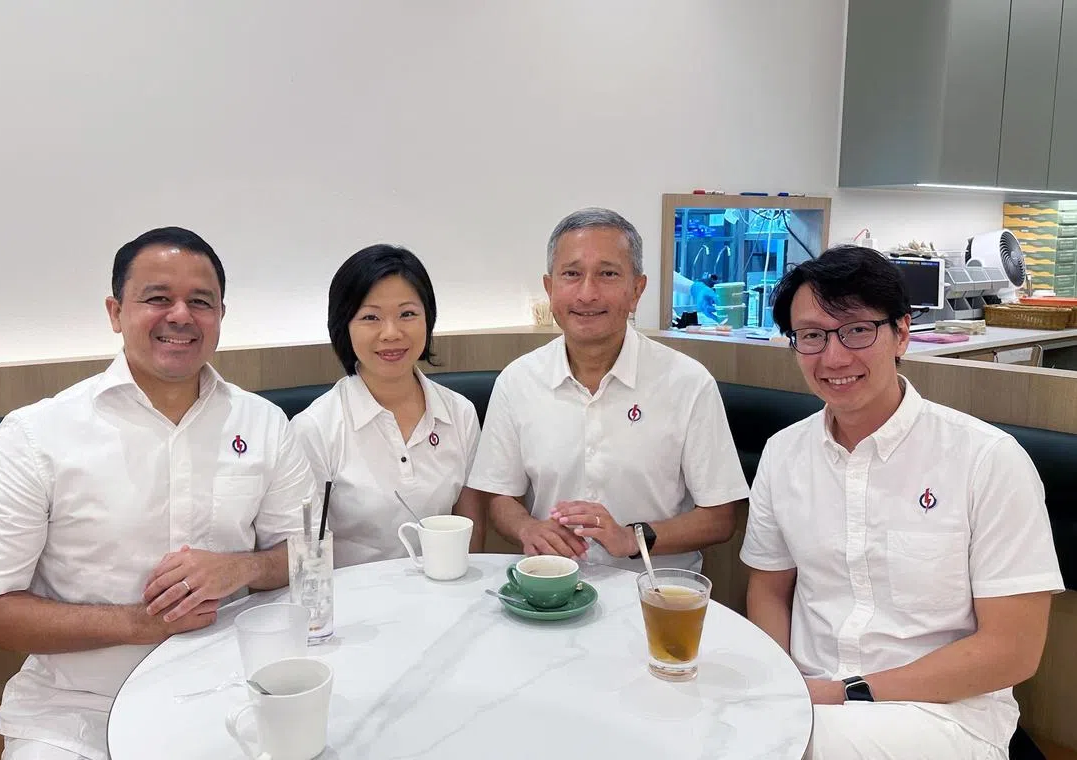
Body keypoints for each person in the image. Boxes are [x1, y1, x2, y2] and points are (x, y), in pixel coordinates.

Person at [0, 227, 315, 760]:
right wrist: (138, 623)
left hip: (233, 690)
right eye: (157, 298)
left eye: (200, 302)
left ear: (221, 316)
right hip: (79, 711)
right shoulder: (36, 434)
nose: (181, 315)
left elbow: (308, 553)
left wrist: (242, 569)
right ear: (116, 312)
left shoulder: (263, 423)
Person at [740, 245, 1063, 759]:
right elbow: (770, 588)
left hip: (944, 712)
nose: (834, 356)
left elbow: (1012, 651)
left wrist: (844, 693)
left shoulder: (987, 461)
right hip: (808, 693)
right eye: (812, 336)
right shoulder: (784, 455)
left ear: (902, 333)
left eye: (857, 329)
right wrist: (780, 684)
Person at [468, 207, 748, 571]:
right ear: (550, 288)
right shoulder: (517, 381)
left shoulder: (688, 383)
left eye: (608, 274)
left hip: (653, 600)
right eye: (571, 274)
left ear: (636, 290)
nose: (587, 293)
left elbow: (720, 516)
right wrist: (528, 528)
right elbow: (500, 495)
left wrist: (633, 539)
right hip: (551, 592)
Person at [290, 244, 484, 567]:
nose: (391, 333)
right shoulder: (314, 428)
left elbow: (471, 539)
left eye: (407, 314)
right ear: (344, 326)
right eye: (370, 317)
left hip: (443, 600)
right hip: (355, 609)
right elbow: (306, 555)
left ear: (428, 319)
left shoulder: (461, 414)